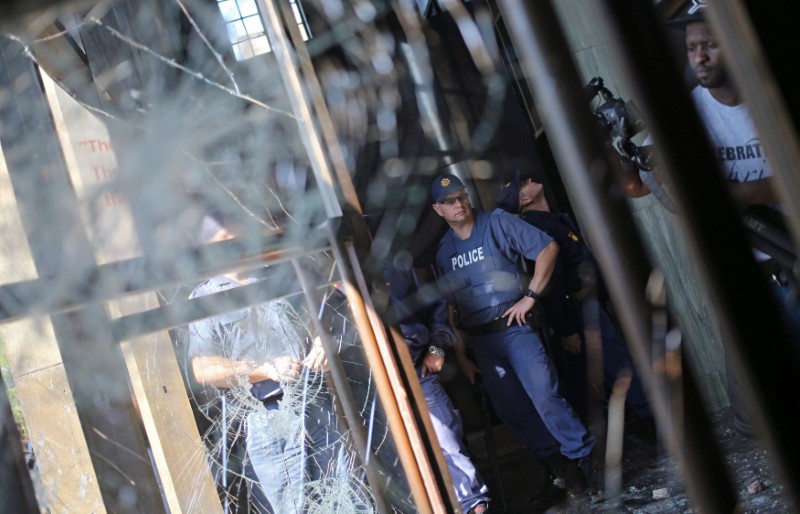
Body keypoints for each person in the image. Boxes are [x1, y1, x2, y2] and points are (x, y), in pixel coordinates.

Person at [665, 3, 800, 437]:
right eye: (692, 47)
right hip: (743, 268)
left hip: (792, 252)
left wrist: (744, 193)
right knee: (756, 404)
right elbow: (673, 197)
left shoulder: (772, 97)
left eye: (710, 45)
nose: (700, 57)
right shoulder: (688, 115)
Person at [429, 174, 599, 500]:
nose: (459, 204)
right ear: (438, 209)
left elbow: (548, 248)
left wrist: (531, 296)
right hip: (483, 342)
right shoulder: (444, 252)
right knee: (513, 411)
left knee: (546, 397)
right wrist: (464, 357)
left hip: (515, 328)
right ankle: (561, 474)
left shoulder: (496, 222)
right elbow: (449, 309)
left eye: (461, 197)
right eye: (449, 201)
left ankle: (590, 463)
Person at [188, 214, 367, 514]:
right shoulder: (204, 296)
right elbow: (203, 369)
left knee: (346, 496)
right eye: (224, 241)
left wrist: (322, 344)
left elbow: (318, 322)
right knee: (297, 507)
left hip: (314, 403)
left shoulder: (279, 275)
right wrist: (264, 370)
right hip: (266, 419)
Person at [496, 169, 652, 423]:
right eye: (522, 184)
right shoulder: (538, 227)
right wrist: (565, 328)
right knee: (620, 366)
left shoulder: (552, 219)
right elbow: (552, 282)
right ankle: (653, 419)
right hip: (577, 311)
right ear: (523, 201)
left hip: (586, 306)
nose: (529, 180)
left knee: (592, 373)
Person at [383, 256, 492, 514]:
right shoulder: (332, 283)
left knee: (447, 441)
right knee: (394, 455)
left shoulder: (397, 268)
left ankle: (474, 505)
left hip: (417, 370)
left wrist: (435, 348)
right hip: (373, 384)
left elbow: (437, 309)